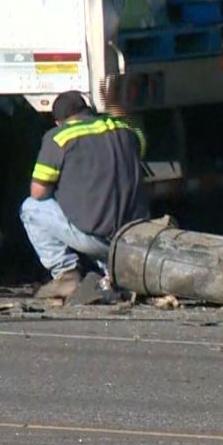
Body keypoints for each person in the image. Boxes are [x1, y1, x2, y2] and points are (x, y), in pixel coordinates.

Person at [21, 91, 149, 300]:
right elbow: (139, 151)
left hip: (97, 238)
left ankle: (65, 275)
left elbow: (38, 192)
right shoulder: (126, 129)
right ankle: (113, 273)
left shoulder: (59, 136)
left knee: (30, 208)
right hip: (132, 237)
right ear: (87, 110)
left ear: (58, 121)